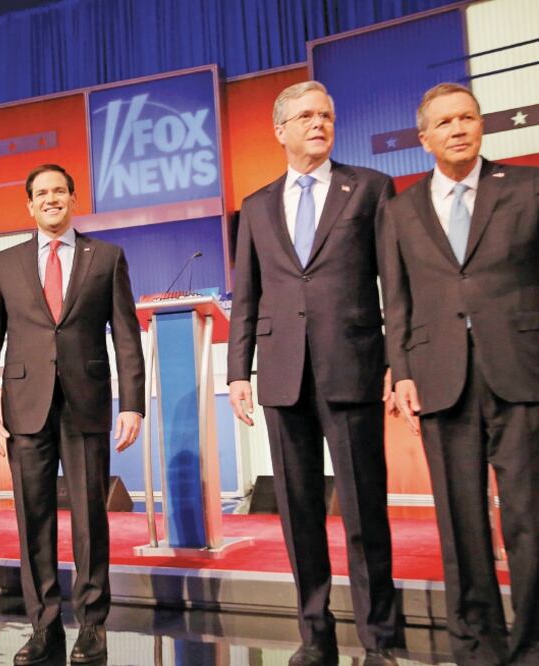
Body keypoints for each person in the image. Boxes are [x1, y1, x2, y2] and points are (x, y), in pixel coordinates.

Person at [227, 81, 397, 666]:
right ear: (280, 130)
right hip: (280, 373)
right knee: (299, 515)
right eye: (305, 116)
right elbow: (245, 296)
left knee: (363, 510)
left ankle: (379, 640)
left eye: (326, 114)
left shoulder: (371, 188)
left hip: (352, 366)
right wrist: (238, 371)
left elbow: (393, 283)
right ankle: (314, 634)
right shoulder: (255, 205)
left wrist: (396, 360)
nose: (319, 123)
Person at [384, 82, 539, 665]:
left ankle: (533, 646)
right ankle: (478, 647)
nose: (458, 128)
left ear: (481, 126)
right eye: (444, 122)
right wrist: (400, 370)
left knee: (531, 517)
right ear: (424, 138)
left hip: (521, 371)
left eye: (467, 118)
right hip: (439, 377)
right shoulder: (400, 209)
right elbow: (395, 301)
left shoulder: (527, 186)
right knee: (460, 522)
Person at [0, 164, 145, 664]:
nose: (50, 199)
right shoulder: (5, 262)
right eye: (41, 193)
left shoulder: (107, 257)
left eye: (58, 191)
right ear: (29, 205)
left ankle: (93, 626)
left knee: (91, 518)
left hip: (86, 403)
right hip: (25, 408)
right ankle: (43, 626)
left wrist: (131, 402)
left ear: (73, 197)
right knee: (33, 519)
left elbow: (126, 336)